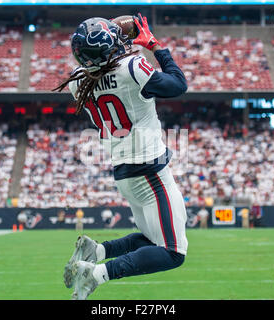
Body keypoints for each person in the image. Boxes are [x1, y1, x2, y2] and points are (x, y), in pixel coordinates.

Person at [55, 14, 188, 300]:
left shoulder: (78, 84)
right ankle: (98, 273)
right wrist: (154, 46)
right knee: (174, 252)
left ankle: (97, 251)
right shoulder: (131, 67)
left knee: (154, 240)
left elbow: (105, 71)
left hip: (125, 172)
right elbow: (178, 85)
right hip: (150, 170)